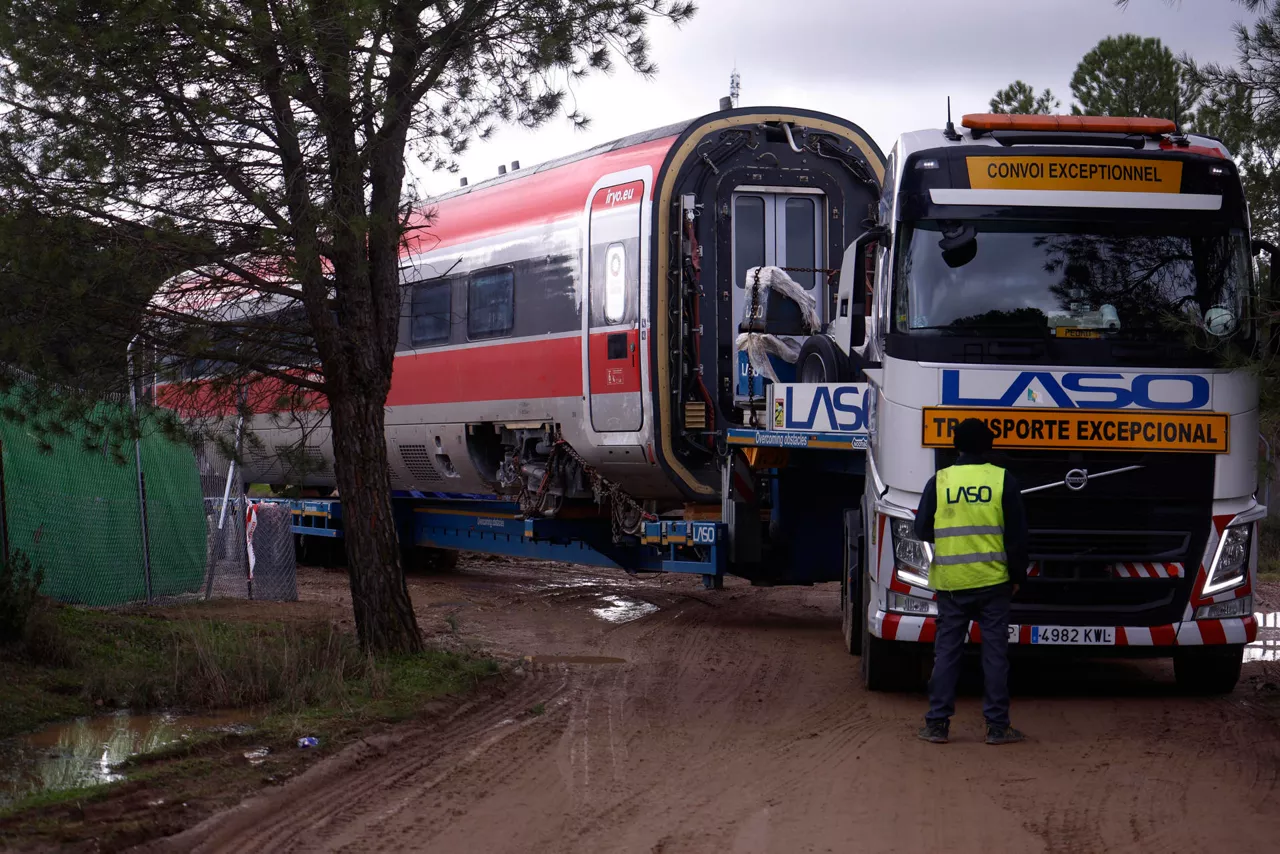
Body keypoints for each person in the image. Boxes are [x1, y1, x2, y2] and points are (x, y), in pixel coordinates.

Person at [914, 418, 1028, 746]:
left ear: (956, 446)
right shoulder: (1002, 479)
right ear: (988, 447)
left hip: (952, 583)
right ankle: (997, 727)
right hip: (994, 583)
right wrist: (1016, 577)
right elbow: (1018, 537)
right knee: (994, 654)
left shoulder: (940, 480)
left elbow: (921, 529)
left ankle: (937, 725)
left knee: (947, 652)